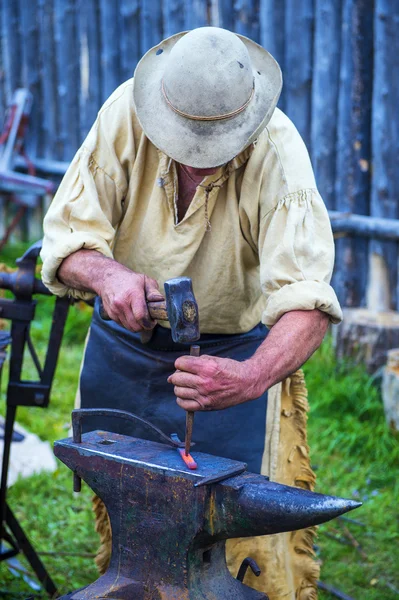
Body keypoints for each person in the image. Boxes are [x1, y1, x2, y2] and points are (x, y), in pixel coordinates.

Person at [41, 27, 342, 600]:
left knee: (243, 551)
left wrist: (252, 376)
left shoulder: (278, 151)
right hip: (125, 347)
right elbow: (67, 238)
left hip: (233, 357)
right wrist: (109, 276)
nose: (198, 159)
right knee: (134, 540)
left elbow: (308, 301)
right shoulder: (125, 113)